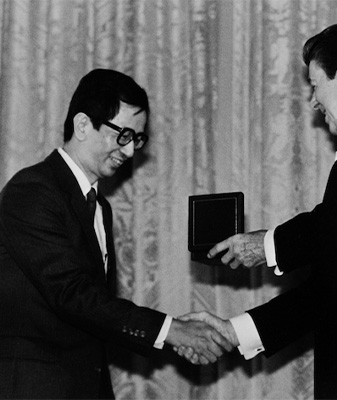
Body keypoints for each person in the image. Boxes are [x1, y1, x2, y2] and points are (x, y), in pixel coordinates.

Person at [178, 21, 337, 399]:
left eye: (316, 85)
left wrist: (265, 245)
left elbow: (333, 227)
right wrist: (235, 332)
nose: (314, 101)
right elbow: (334, 285)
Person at [0, 69, 233, 400]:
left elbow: (96, 312)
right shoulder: (33, 191)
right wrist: (171, 331)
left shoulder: (99, 207)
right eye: (122, 134)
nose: (129, 152)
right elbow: (72, 295)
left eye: (137, 139)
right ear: (83, 125)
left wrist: (171, 336)